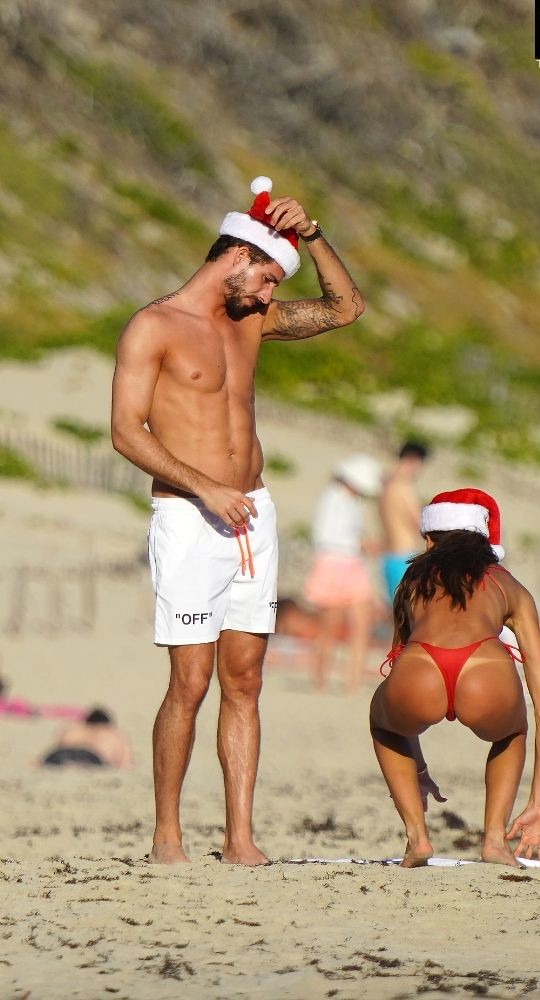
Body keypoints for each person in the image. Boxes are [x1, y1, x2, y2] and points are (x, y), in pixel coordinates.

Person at [111, 176, 364, 865]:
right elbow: (126, 432)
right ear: (237, 257)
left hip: (254, 515)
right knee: (190, 681)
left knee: (246, 680)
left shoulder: (252, 319)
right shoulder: (154, 326)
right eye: (267, 278)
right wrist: (204, 488)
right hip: (189, 518)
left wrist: (311, 235)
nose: (269, 295)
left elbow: (346, 308)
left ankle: (239, 838)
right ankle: (167, 836)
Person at [370, 488, 540, 868]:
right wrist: (539, 804)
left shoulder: (411, 580)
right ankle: (494, 841)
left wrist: (417, 768)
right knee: (512, 732)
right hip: (485, 672)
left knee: (383, 720)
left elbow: (397, 664)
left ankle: (417, 837)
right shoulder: (510, 586)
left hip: (420, 669)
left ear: (428, 540)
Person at [303, 454, 381, 692]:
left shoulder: (353, 501)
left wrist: (360, 545)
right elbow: (325, 538)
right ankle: (321, 680)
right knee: (331, 626)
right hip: (333, 564)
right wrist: (360, 544)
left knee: (361, 624)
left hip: (353, 564)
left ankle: (352, 682)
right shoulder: (331, 497)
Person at [378, 440, 430, 602]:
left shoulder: (385, 485)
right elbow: (419, 523)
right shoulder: (405, 486)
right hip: (404, 557)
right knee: (409, 610)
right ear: (414, 459)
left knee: (395, 609)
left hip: (389, 557)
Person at [40, 707, 133, 769]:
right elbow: (125, 763)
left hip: (61, 753)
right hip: (90, 755)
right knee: (80, 765)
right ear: (107, 724)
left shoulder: (72, 729)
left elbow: (56, 746)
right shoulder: (112, 732)